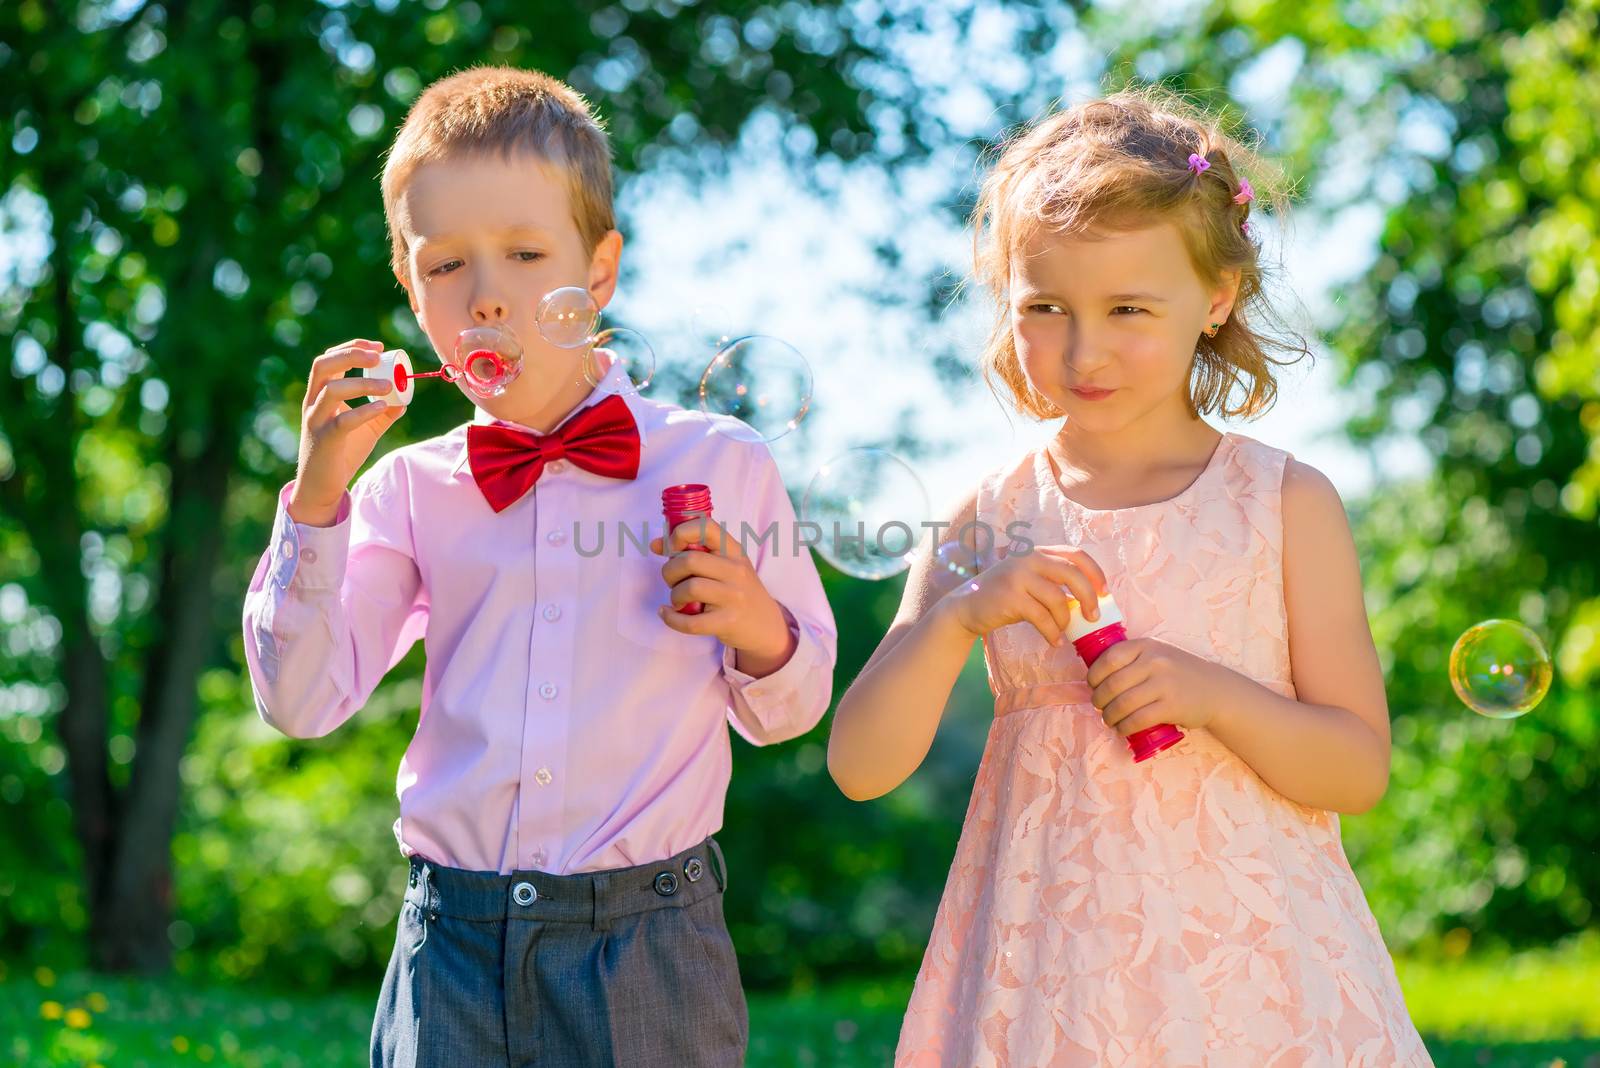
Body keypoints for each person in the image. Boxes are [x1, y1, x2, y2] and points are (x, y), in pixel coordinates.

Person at [240, 65, 837, 1068]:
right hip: (450, 949)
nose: (485, 297)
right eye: (445, 267)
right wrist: (313, 503)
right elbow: (300, 702)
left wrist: (757, 629)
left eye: (524, 254)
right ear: (407, 283)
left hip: (649, 946)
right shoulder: (403, 492)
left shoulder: (715, 463)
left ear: (597, 275)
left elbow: (791, 707)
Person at [827, 86, 1431, 1066]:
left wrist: (1214, 696)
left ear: (1218, 298)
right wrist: (952, 624)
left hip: (1247, 967)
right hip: (1046, 970)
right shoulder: (986, 513)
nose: (1082, 348)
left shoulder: (1282, 502)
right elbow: (860, 767)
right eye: (1044, 307)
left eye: (1128, 309)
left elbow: (1356, 768)